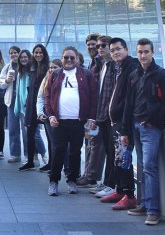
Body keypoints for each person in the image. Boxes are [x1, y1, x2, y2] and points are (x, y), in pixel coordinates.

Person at [121, 38, 165, 225]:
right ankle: (144, 204)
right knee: (142, 167)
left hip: (150, 128)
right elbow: (129, 104)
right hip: (135, 126)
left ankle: (154, 210)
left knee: (150, 167)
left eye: (146, 51)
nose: (143, 55)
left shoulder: (161, 75)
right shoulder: (134, 74)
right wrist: (125, 129)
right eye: (140, 52)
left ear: (153, 53)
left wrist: (152, 121)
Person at [45, 46, 97, 196]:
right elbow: (48, 97)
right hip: (59, 122)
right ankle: (53, 181)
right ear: (61, 59)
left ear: (78, 59)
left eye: (72, 58)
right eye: (66, 57)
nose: (68, 60)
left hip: (78, 122)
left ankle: (72, 180)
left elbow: (94, 97)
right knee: (58, 151)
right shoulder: (54, 74)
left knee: (75, 152)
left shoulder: (86, 74)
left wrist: (91, 118)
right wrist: (50, 115)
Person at [99, 37, 139, 208]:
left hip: (124, 123)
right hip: (114, 122)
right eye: (113, 50)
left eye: (118, 49)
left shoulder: (132, 68)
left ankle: (129, 195)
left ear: (126, 49)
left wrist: (124, 127)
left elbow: (130, 100)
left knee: (124, 159)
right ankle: (120, 190)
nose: (115, 52)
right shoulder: (119, 67)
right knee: (118, 158)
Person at [77, 35, 112, 189]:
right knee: (90, 143)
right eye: (92, 45)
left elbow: (102, 90)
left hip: (101, 112)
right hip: (93, 111)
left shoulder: (104, 63)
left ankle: (92, 176)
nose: (95, 48)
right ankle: (88, 174)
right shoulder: (94, 62)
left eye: (98, 45)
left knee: (97, 145)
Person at [0, 46, 27, 163]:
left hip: (23, 103)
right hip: (11, 102)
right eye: (11, 53)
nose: (13, 55)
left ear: (20, 54)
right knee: (13, 129)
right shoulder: (7, 67)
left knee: (26, 130)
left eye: (15, 53)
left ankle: (28, 155)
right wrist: (6, 81)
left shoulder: (25, 66)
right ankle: (15, 154)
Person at [22, 44, 49, 170]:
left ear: (44, 54)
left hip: (44, 104)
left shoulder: (47, 68)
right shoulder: (31, 67)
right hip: (31, 104)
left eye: (40, 52)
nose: (38, 55)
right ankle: (30, 161)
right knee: (30, 133)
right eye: (36, 52)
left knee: (50, 135)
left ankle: (51, 162)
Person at [36, 58, 62, 173]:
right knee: (51, 141)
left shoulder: (63, 78)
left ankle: (57, 167)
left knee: (57, 142)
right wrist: (40, 112)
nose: (52, 69)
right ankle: (51, 164)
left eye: (55, 67)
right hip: (47, 115)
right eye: (50, 67)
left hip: (59, 115)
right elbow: (40, 97)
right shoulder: (46, 79)